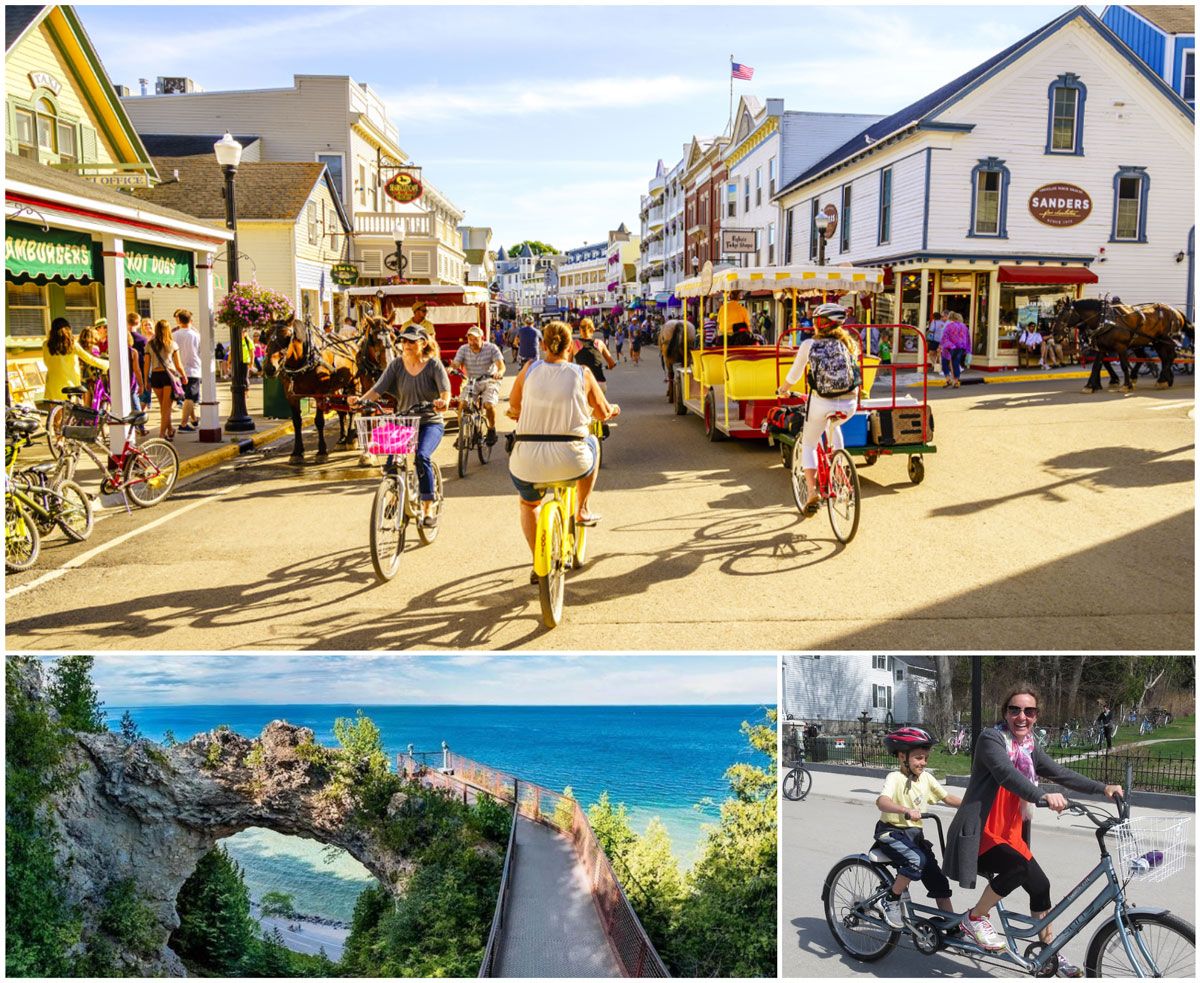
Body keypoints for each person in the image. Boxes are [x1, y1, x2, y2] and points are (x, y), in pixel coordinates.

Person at [943, 683, 1123, 974]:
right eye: (1015, 710)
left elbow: (1058, 772)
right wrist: (1040, 796)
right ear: (1005, 712)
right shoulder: (991, 739)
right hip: (981, 834)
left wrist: (1103, 789)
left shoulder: (1028, 747)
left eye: (1029, 711)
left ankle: (1050, 953)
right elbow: (1005, 774)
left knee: (1041, 887)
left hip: (1009, 834)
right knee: (1018, 869)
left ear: (1036, 716)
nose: (1021, 716)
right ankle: (975, 918)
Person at [507, 320, 619, 583]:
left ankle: (539, 561)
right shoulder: (583, 374)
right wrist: (611, 410)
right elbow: (602, 413)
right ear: (571, 347)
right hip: (572, 460)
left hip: (527, 460)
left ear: (542, 345)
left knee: (529, 503)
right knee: (592, 442)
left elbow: (514, 407)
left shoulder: (528, 369)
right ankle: (581, 508)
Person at [352, 326, 449, 527]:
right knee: (390, 464)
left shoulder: (434, 365)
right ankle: (396, 494)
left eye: (412, 341)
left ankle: (427, 507)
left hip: (429, 422)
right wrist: (360, 401)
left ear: (423, 343)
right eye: (404, 341)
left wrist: (442, 402)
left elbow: (445, 392)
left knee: (422, 457)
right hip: (404, 421)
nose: (407, 345)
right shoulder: (396, 365)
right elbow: (377, 390)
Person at [872, 728, 962, 928]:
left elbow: (946, 798)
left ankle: (951, 925)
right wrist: (904, 810)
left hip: (914, 837)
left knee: (938, 879)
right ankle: (890, 900)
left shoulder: (926, 779)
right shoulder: (894, 778)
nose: (923, 762)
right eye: (918, 758)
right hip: (891, 833)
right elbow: (882, 802)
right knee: (916, 860)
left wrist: (971, 805)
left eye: (926, 758)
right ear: (902, 756)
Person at [778, 302, 861, 515]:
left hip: (821, 401)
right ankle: (839, 465)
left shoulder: (809, 345)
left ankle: (812, 491)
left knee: (809, 444)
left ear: (819, 324)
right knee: (834, 425)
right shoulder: (849, 344)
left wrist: (783, 389)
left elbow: (794, 375)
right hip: (850, 402)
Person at [450, 326, 505, 446]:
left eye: (475, 339)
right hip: (472, 381)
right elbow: (457, 362)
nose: (472, 342)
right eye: (470, 339)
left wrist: (499, 373)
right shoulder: (463, 349)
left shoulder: (491, 348)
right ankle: (462, 434)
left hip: (489, 380)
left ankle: (491, 429)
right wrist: (452, 367)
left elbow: (501, 366)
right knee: (462, 403)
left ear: (482, 338)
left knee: (488, 405)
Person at [42, 317, 109, 403]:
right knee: (70, 411)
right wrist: (106, 364)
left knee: (55, 411)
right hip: (70, 384)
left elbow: (46, 362)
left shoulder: (46, 345)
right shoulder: (72, 345)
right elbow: (89, 359)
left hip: (52, 383)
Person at [144, 319, 187, 440]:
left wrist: (146, 380)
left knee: (163, 406)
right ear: (168, 330)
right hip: (169, 376)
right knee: (167, 407)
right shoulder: (172, 344)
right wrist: (183, 376)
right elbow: (178, 364)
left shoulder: (149, 344)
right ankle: (162, 434)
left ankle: (170, 429)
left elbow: (146, 364)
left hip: (156, 376)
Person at [173, 309, 202, 433]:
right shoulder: (196, 335)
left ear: (178, 320)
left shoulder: (174, 335)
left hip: (178, 369)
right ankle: (183, 424)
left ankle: (194, 419)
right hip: (193, 368)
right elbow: (200, 351)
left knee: (187, 397)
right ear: (191, 320)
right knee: (190, 397)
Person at [573, 317, 616, 392]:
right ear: (593, 329)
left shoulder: (575, 344)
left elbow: (568, 364)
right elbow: (612, 363)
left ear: (580, 329)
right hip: (600, 383)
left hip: (584, 383)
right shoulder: (599, 343)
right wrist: (609, 366)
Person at [941, 312, 971, 388]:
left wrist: (944, 346)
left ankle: (948, 379)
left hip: (949, 348)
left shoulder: (949, 326)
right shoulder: (964, 326)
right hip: (960, 347)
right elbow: (967, 339)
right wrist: (968, 350)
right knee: (956, 364)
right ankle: (956, 381)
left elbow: (944, 337)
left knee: (944, 362)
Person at [926, 312, 946, 376]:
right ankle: (941, 367)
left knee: (931, 354)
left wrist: (926, 333)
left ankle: (936, 366)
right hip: (942, 340)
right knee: (940, 354)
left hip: (935, 340)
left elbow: (931, 330)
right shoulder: (943, 322)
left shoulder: (934, 322)